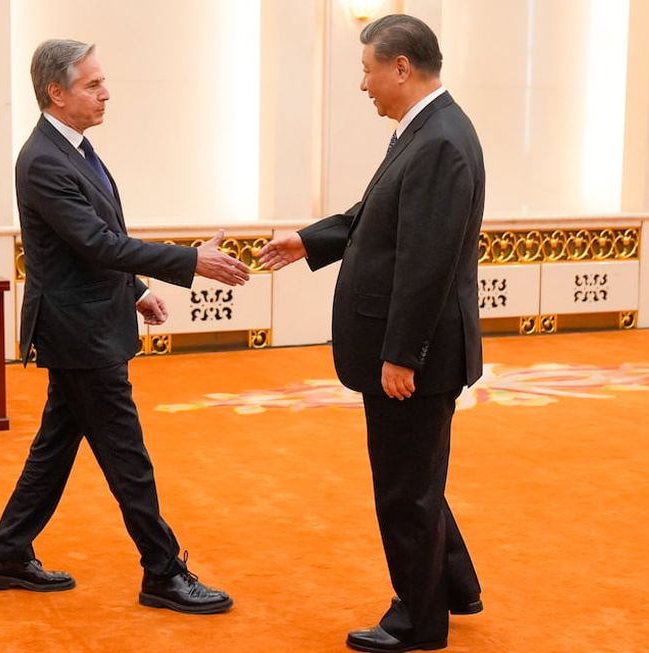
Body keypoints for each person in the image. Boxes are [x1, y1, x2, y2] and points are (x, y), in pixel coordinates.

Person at [0, 39, 249, 615]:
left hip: (89, 324)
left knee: (54, 450)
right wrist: (187, 261)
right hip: (80, 336)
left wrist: (137, 291)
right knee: (127, 457)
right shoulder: (45, 159)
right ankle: (162, 571)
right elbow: (95, 242)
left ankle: (7, 555)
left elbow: (94, 247)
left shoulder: (75, 150)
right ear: (56, 92)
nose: (106, 93)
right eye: (93, 84)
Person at [258, 14, 485, 652]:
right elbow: (376, 215)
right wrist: (310, 241)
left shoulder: (439, 140)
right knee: (417, 475)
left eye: (366, 71)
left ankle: (418, 621)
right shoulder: (427, 131)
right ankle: (456, 586)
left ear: (401, 68)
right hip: (418, 348)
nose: (364, 86)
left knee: (404, 487)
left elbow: (426, 262)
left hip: (416, 355)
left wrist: (400, 355)